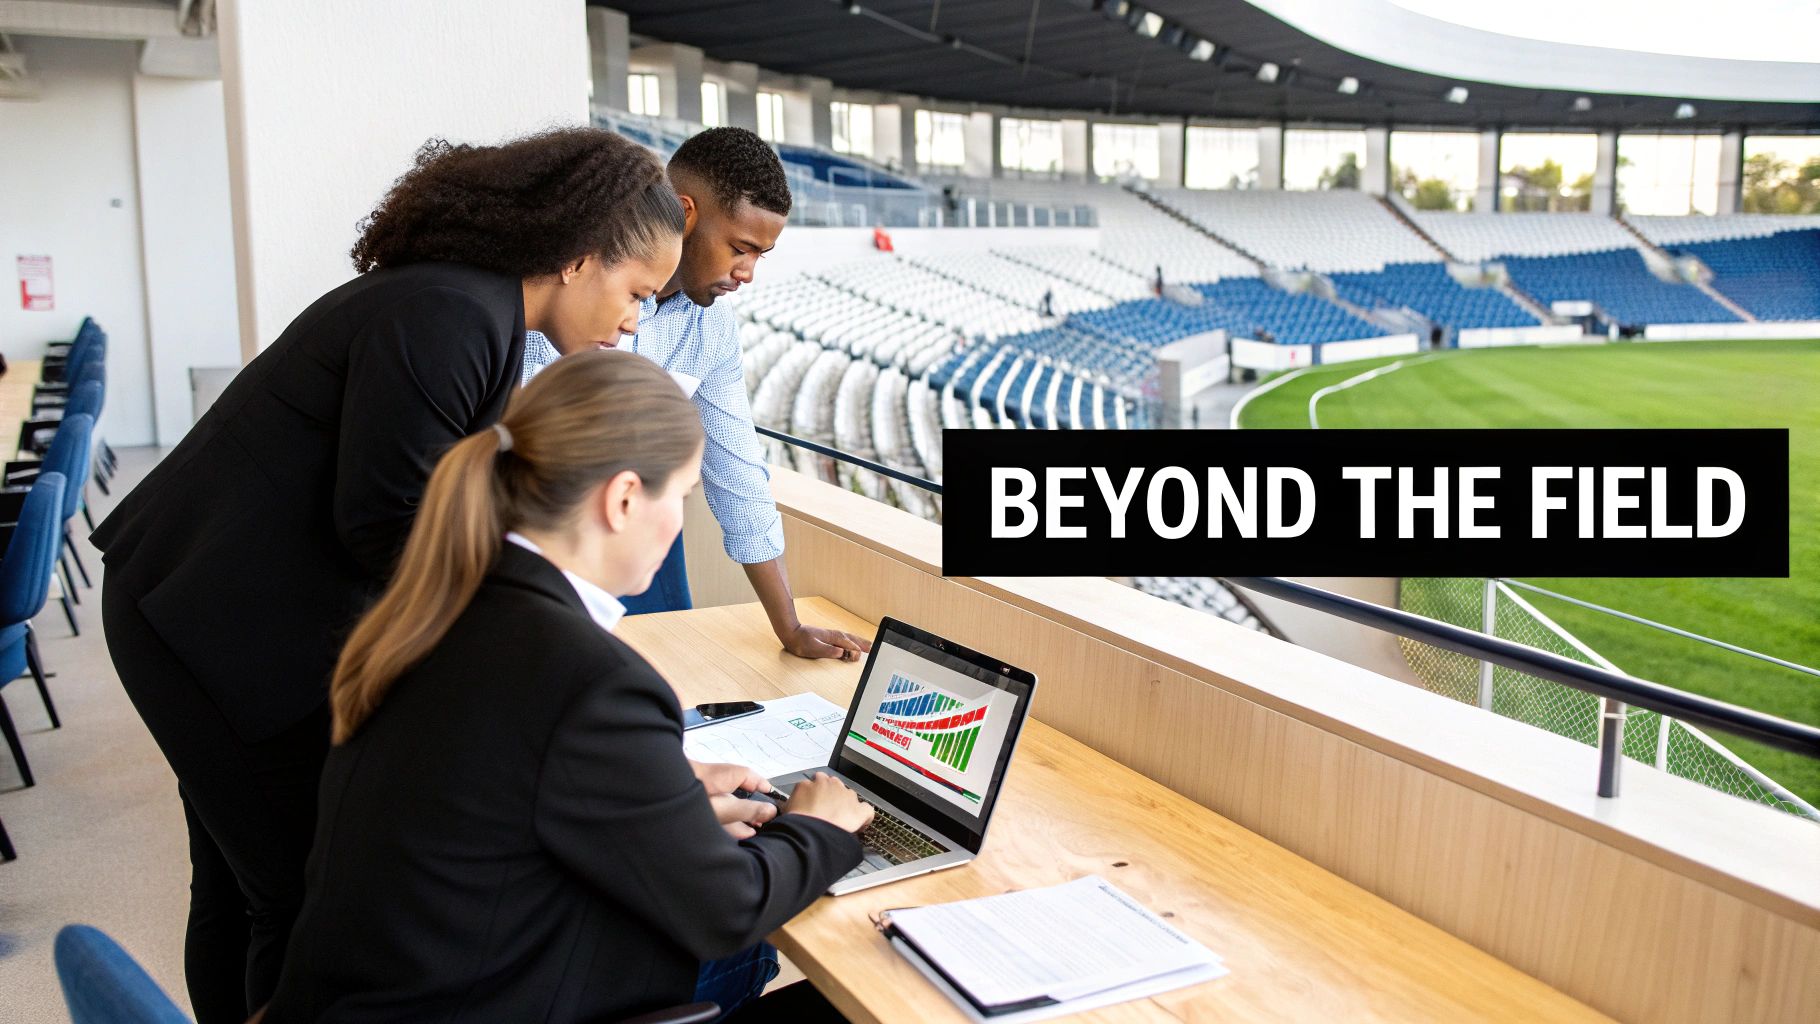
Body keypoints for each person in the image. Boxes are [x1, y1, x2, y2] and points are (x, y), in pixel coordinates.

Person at [91, 127, 687, 1024]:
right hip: (206, 619)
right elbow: (391, 524)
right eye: (637, 292)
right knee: (291, 893)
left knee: (235, 880)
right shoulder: (450, 315)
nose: (635, 321)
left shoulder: (468, 307)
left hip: (199, 599)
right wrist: (552, 657)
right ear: (579, 258)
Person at [263, 350, 873, 1023]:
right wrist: (821, 828)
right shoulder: (591, 678)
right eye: (682, 495)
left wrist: (660, 788)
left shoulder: (441, 607)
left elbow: (503, 773)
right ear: (623, 498)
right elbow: (726, 909)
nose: (677, 522)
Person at [523, 127, 870, 663]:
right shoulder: (561, 294)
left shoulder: (711, 330)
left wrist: (789, 626)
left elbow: (737, 473)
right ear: (686, 214)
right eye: (740, 248)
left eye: (761, 255)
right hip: (537, 553)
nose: (747, 273)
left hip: (641, 548)